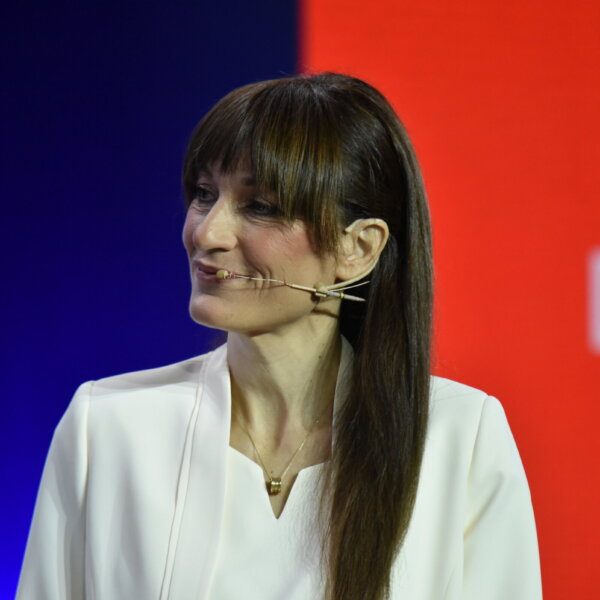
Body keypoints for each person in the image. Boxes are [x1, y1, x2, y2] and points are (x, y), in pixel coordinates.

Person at [16, 73, 542, 600]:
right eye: (204, 194)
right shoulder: (108, 426)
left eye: (260, 206)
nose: (207, 232)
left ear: (358, 249)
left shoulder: (458, 437)